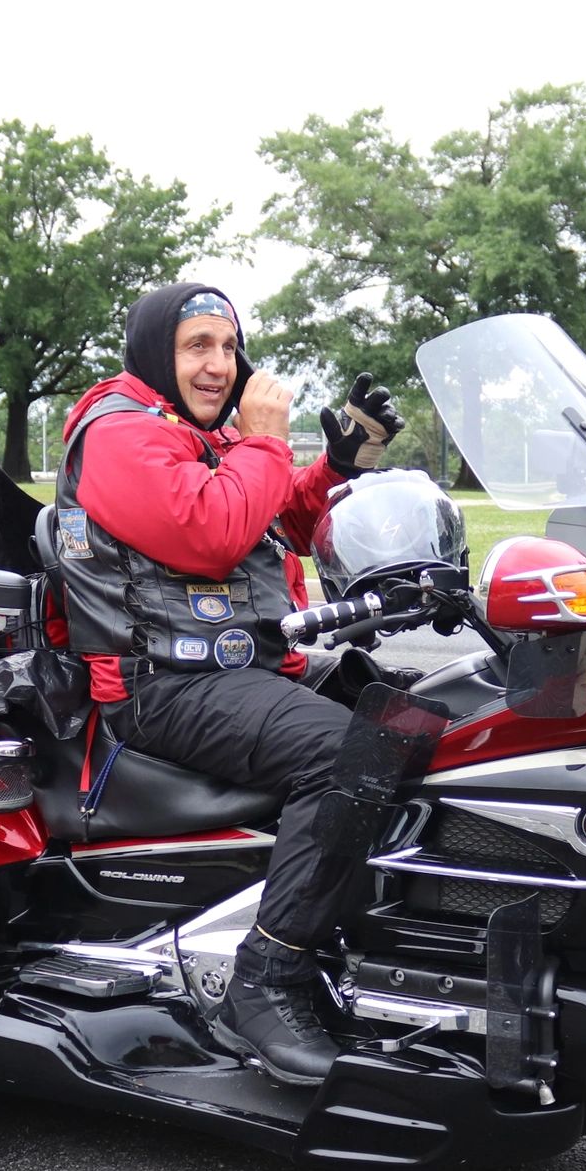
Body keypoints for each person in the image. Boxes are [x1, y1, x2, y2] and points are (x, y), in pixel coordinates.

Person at [54, 283, 402, 1086]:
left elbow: (277, 522)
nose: (219, 365)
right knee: (342, 752)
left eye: (227, 346)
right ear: (153, 354)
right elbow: (210, 535)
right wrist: (265, 438)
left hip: (239, 662)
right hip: (162, 684)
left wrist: (339, 465)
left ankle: (382, 936)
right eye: (197, 347)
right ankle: (268, 975)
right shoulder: (117, 434)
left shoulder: (200, 436)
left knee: (424, 711)